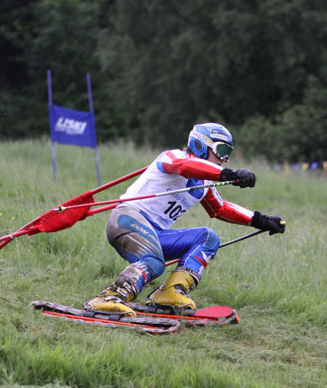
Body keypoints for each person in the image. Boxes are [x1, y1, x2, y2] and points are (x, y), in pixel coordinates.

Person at [84, 123, 285, 316]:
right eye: (221, 150)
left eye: (228, 154)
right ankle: (109, 297)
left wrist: (261, 220)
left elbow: (220, 209)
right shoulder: (173, 157)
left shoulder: (204, 181)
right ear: (200, 145)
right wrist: (227, 175)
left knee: (208, 238)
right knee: (154, 263)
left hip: (154, 233)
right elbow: (184, 166)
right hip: (127, 220)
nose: (224, 159)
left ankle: (169, 292)